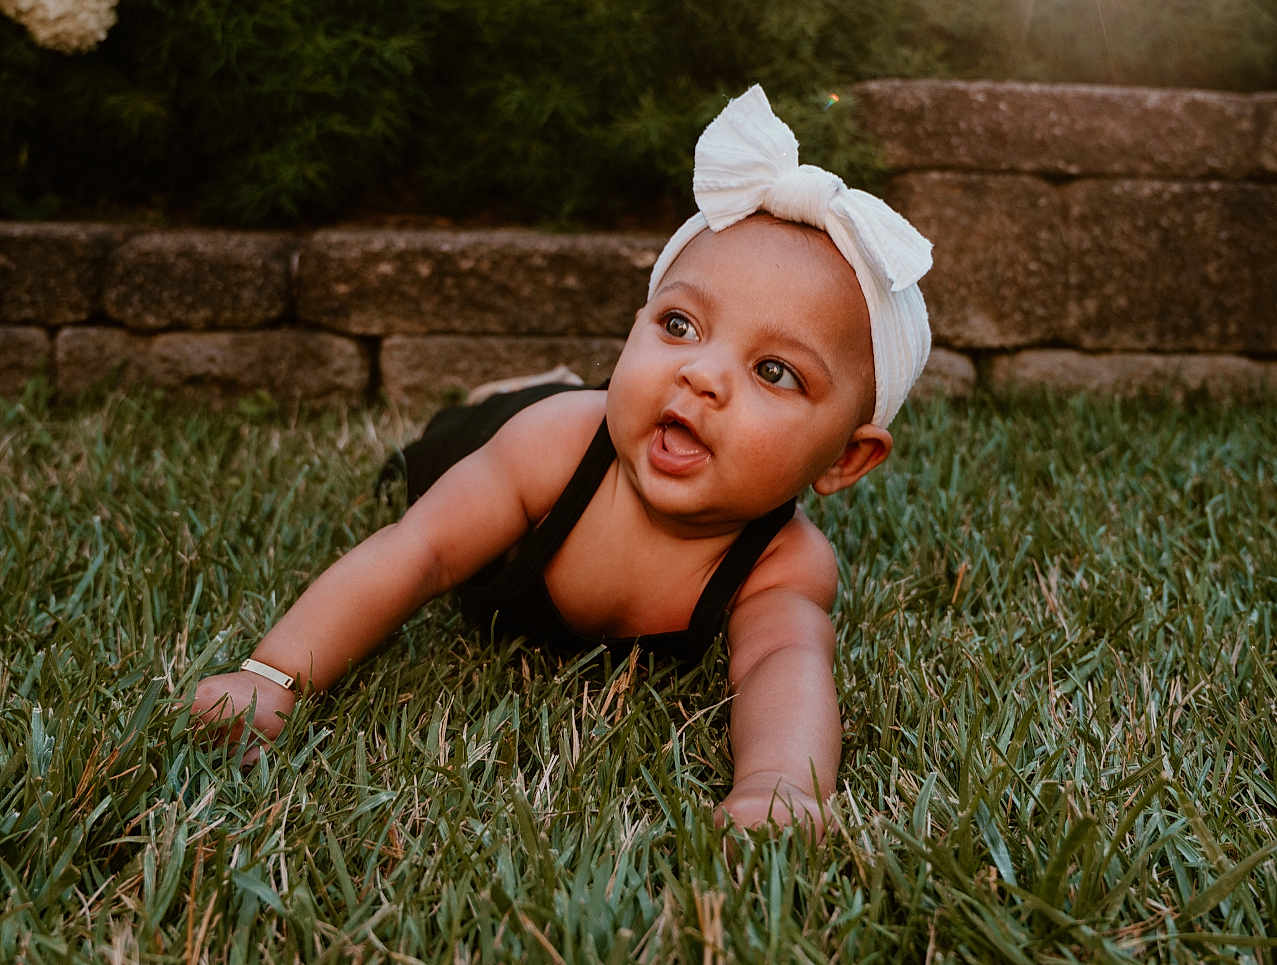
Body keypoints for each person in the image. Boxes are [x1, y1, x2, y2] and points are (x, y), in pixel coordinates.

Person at [188, 85, 932, 837]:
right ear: (637, 322)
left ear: (845, 457)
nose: (702, 374)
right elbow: (418, 551)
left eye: (773, 371)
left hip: (581, 418)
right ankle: (521, 388)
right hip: (503, 436)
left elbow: (781, 666)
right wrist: (271, 674)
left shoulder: (784, 564)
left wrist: (781, 787)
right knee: (472, 432)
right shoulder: (552, 448)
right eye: (679, 324)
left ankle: (558, 382)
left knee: (575, 403)